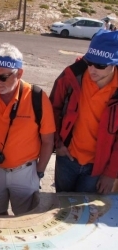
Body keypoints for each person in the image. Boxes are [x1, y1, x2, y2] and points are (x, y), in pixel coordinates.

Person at [0, 43, 55, 215]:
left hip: (25, 172)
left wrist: (38, 172)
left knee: (25, 222)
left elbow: (48, 141)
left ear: (20, 73)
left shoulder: (37, 97)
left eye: (3, 77)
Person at [49, 30, 118, 194]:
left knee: (85, 214)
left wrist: (110, 173)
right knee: (61, 207)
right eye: (90, 62)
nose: (92, 69)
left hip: (98, 167)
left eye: (100, 65)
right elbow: (52, 110)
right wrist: (58, 143)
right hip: (67, 159)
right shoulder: (72, 75)